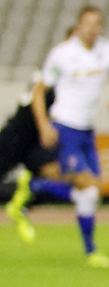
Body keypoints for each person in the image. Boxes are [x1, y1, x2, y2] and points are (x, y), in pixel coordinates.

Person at [28, 7, 109, 266]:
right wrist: (44, 126)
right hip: (64, 126)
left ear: (101, 27)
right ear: (78, 25)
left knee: (93, 194)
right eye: (87, 23)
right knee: (88, 187)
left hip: (87, 129)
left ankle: (36, 187)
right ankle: (90, 250)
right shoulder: (62, 53)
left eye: (96, 24)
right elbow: (38, 92)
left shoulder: (108, 51)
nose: (91, 28)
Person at [1, 77, 59, 243]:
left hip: (33, 141)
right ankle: (20, 191)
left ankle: (20, 204)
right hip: (15, 136)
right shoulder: (47, 77)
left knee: (53, 173)